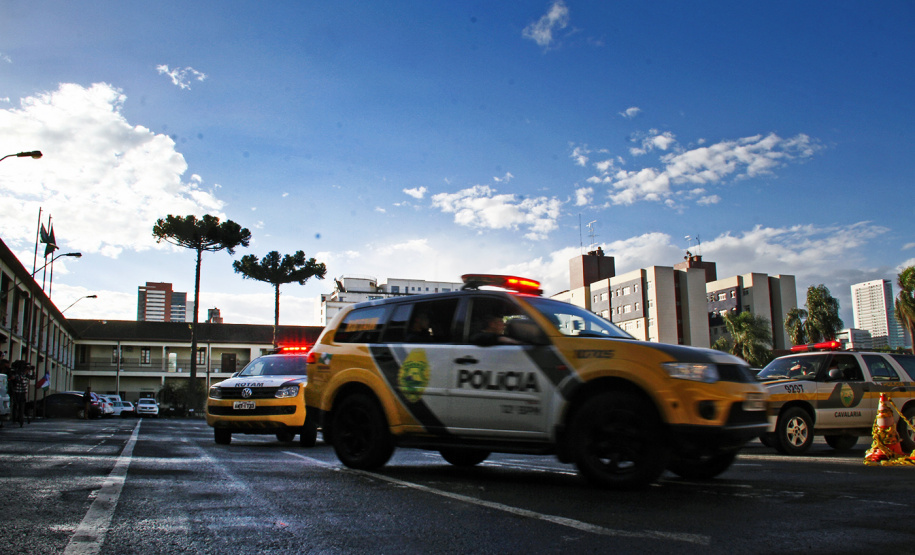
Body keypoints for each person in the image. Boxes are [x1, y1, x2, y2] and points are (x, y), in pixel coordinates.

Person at [9, 360, 30, 427]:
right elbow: (16, 378)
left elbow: (30, 378)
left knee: (21, 406)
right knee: (17, 405)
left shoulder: (23, 375)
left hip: (22, 392)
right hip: (17, 392)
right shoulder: (18, 374)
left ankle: (19, 419)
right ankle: (17, 418)